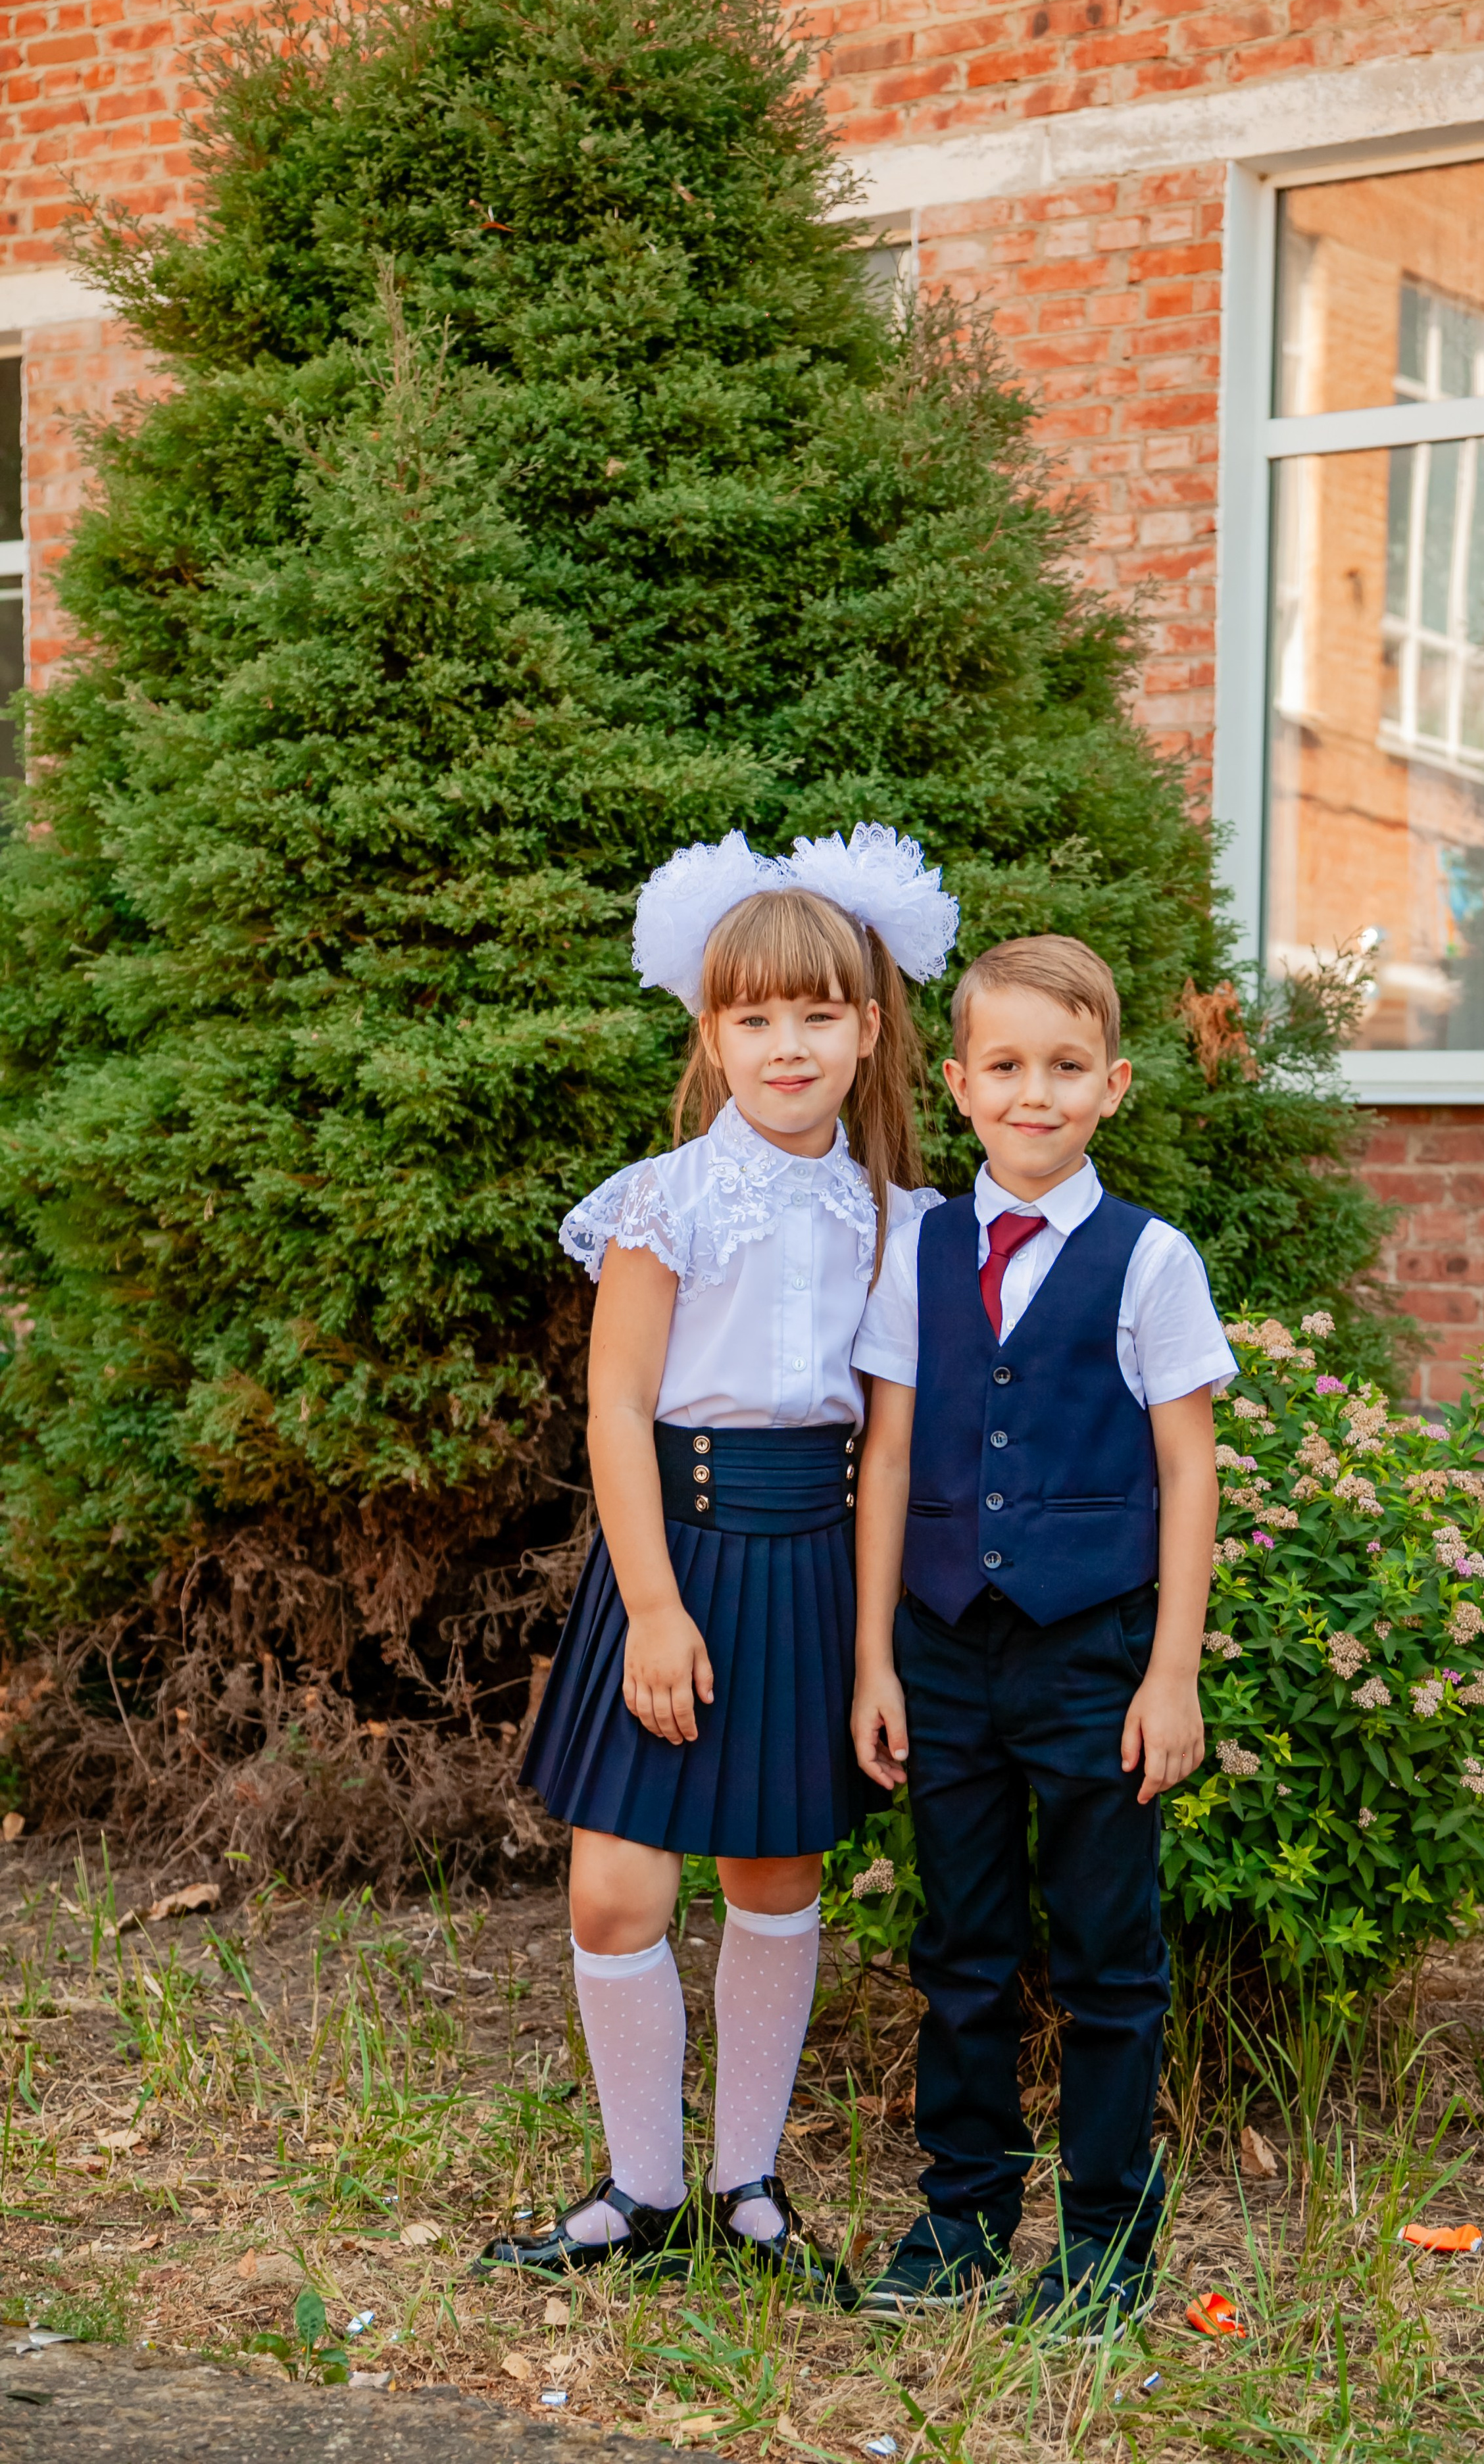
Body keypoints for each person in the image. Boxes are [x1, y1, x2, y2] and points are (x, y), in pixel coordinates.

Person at [480, 825, 957, 2299]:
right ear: (710, 1032)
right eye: (753, 1019)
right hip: (673, 1558)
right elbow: (616, 1408)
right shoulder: (663, 1199)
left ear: (867, 1028)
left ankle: (747, 2186)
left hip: (808, 1562)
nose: (786, 1045)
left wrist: (872, 1656)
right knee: (617, 1888)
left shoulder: (898, 1221)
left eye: (817, 1015)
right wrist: (651, 1608)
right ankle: (640, 2191)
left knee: (772, 1872)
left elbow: (887, 1454)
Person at [848, 933, 1235, 2337]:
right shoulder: (916, 1252)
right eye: (1004, 1066)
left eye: (1065, 1067)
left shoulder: (1149, 1259)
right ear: (958, 1085)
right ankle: (959, 2221)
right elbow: (888, 1458)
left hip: (1092, 1657)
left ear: (1111, 1086)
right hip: (944, 1650)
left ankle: (1105, 2242)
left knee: (1107, 1956)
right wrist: (875, 1659)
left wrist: (1170, 1673)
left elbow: (1187, 1469)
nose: (1034, 1093)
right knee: (960, 1943)